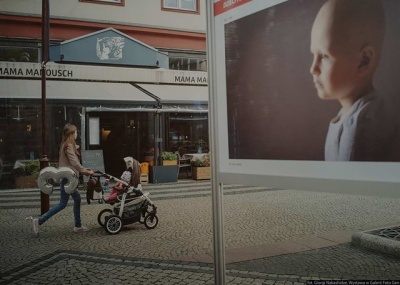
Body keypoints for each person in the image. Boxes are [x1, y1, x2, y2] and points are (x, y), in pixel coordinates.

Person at [310, 0, 398, 161]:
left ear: (364, 61)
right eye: (313, 54)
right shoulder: (350, 113)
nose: (313, 68)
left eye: (324, 56)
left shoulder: (361, 126)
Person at [29, 123, 93, 235]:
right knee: (62, 203)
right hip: (68, 179)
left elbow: (72, 162)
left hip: (68, 178)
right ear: (71, 133)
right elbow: (73, 161)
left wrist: (83, 169)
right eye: (76, 132)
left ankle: (78, 225)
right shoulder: (68, 145)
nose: (77, 133)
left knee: (77, 199)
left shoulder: (65, 144)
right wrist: (84, 171)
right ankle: (39, 221)